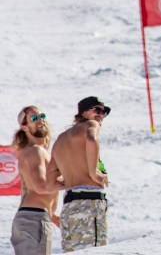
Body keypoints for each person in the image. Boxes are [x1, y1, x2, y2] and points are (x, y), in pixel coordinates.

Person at [50, 97, 111, 252]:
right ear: (83, 113)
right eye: (97, 110)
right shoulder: (91, 125)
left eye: (104, 112)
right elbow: (91, 138)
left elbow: (49, 179)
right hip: (89, 204)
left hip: (69, 206)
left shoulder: (61, 139)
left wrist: (68, 179)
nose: (101, 115)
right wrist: (93, 172)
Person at [10, 106, 61, 255]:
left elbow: (29, 190)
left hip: (33, 217)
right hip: (34, 218)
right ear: (24, 127)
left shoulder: (36, 150)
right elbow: (40, 186)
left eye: (42, 116)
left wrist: (53, 217)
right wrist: (72, 180)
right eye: (34, 118)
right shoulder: (35, 151)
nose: (40, 120)